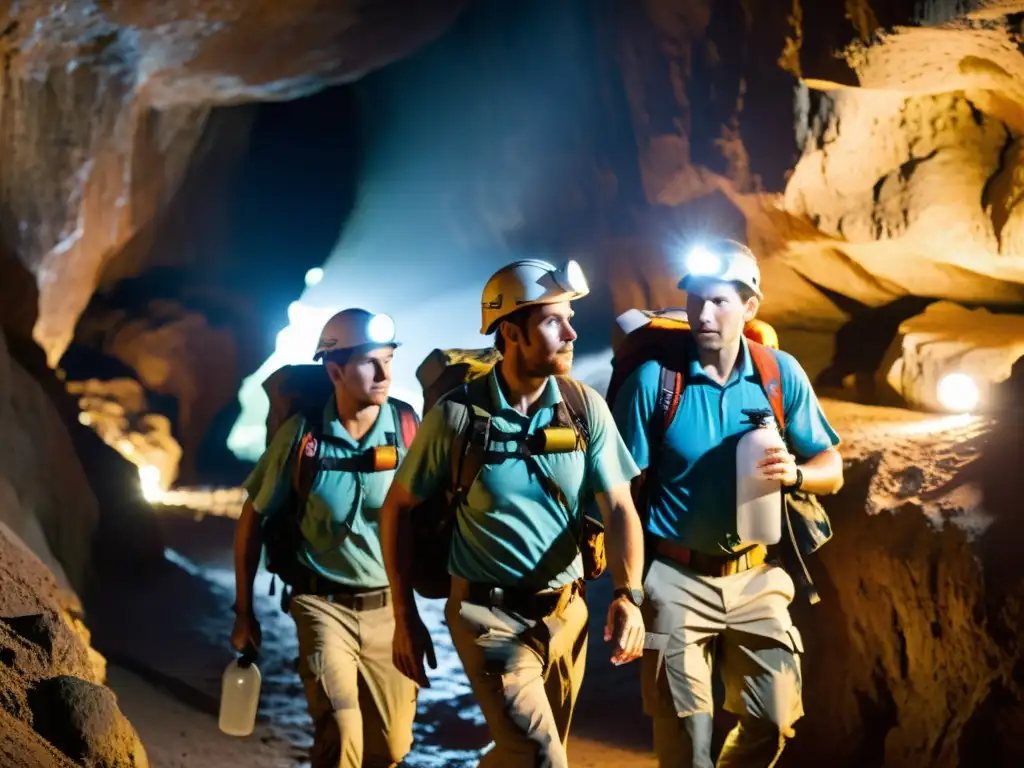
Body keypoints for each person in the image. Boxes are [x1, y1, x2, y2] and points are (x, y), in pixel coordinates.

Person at [379, 259, 647, 768]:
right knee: (543, 756)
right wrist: (403, 614)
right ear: (512, 333)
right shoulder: (456, 417)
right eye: (553, 321)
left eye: (569, 318)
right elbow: (397, 508)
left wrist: (627, 593)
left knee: (527, 754)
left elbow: (619, 507)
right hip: (487, 617)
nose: (571, 332)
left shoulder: (583, 408)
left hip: (568, 614)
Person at [612, 239, 844, 768]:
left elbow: (832, 467)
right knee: (687, 744)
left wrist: (799, 473)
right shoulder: (655, 383)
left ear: (750, 307)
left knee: (773, 723)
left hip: (758, 577)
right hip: (673, 578)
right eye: (695, 299)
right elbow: (617, 493)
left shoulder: (778, 375)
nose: (703, 312)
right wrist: (625, 589)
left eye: (719, 300)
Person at [231, 308, 420, 768]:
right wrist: (244, 612)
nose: (383, 374)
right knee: (342, 730)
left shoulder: (406, 430)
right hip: (319, 606)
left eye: (389, 360)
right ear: (334, 371)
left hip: (387, 611)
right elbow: (251, 521)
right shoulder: (303, 437)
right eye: (369, 363)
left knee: (390, 749)